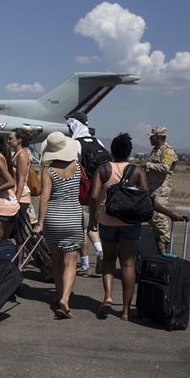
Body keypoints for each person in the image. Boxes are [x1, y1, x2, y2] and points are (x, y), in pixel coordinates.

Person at [88, 133, 184, 321]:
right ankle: (125, 310)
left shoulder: (103, 169)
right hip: (130, 223)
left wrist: (93, 218)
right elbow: (147, 199)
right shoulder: (138, 171)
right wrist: (171, 213)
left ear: (112, 151)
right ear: (129, 152)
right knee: (128, 263)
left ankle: (107, 297)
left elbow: (93, 196)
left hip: (107, 221)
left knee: (108, 260)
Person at [32, 131, 83, 319]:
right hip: (73, 216)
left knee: (56, 260)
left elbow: (45, 196)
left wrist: (40, 222)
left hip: (54, 216)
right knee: (71, 262)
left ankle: (58, 293)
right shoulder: (77, 167)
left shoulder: (48, 170)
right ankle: (65, 298)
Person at [67, 112, 107, 276]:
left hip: (82, 190)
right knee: (92, 223)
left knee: (80, 227)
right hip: (100, 189)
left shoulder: (75, 143)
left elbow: (73, 168)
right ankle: (99, 251)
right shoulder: (98, 142)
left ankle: (84, 264)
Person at [141, 126, 179, 254]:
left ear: (158, 137)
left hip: (160, 190)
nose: (150, 139)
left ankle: (165, 248)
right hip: (151, 189)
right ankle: (157, 249)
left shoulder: (168, 151)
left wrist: (147, 165)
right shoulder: (155, 150)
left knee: (159, 218)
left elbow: (165, 167)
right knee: (151, 218)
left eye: (152, 137)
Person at [8, 128, 33, 256]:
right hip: (17, 195)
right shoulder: (16, 153)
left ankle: (20, 262)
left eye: (11, 138)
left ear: (19, 140)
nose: (8, 140)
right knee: (16, 231)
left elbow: (22, 179)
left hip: (21, 197)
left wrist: (16, 200)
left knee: (19, 233)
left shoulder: (22, 154)